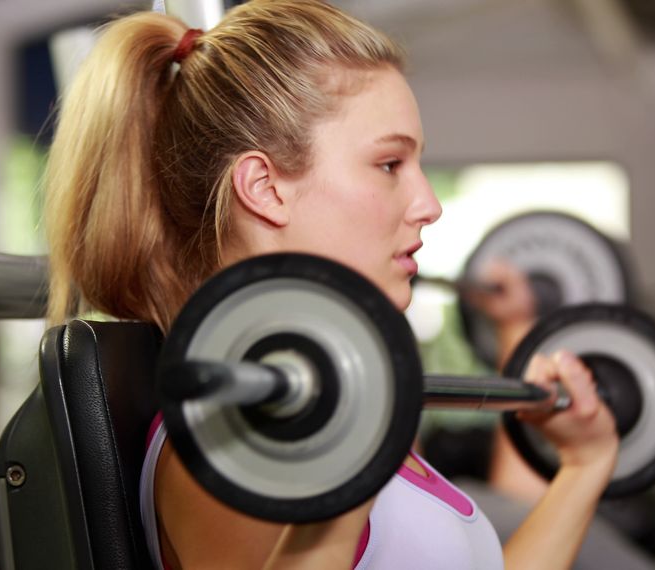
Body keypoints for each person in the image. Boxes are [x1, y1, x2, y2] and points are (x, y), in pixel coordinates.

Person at [43, 1, 619, 568]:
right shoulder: (228, 443)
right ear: (265, 189)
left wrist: (584, 466)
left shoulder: (329, 402)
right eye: (390, 165)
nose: (430, 204)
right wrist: (349, 466)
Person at [456, 260, 655, 570]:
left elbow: (516, 510)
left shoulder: (447, 514)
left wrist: (516, 327)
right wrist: (586, 462)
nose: (430, 209)